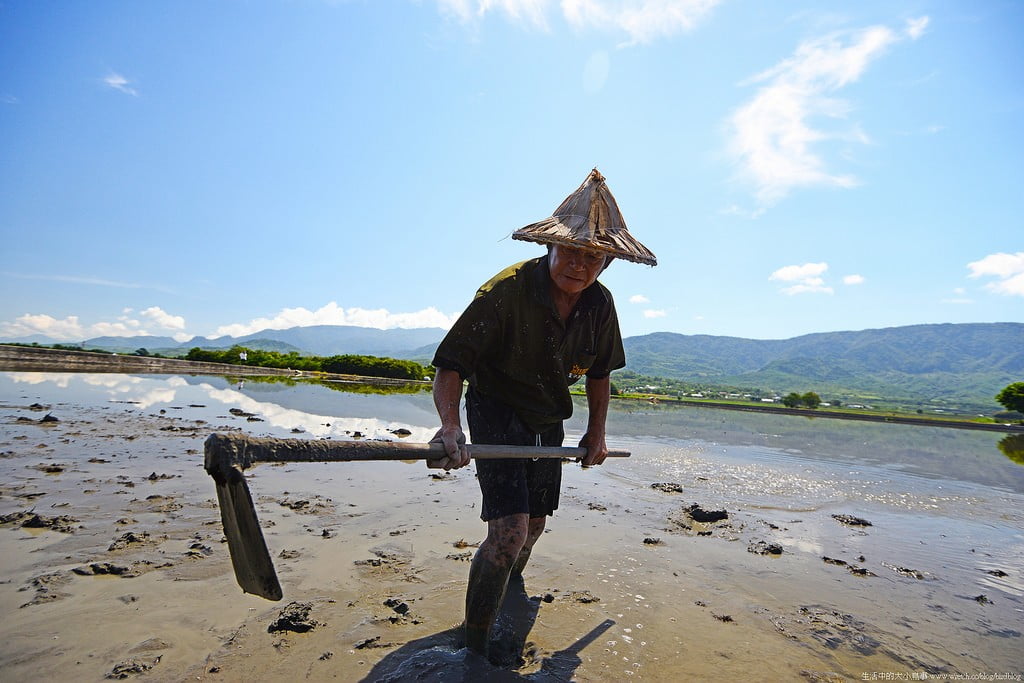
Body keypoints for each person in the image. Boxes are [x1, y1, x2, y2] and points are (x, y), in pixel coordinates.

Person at [428, 169, 657, 660]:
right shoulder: (506, 291)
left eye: (593, 256)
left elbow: (599, 374)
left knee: (533, 525)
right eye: (571, 251)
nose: (580, 264)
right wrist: (451, 426)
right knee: (508, 530)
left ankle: (509, 577)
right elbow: (451, 366)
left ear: (607, 262)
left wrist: (597, 433)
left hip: (549, 414)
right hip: (495, 406)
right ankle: (474, 646)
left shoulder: (600, 303)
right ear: (549, 248)